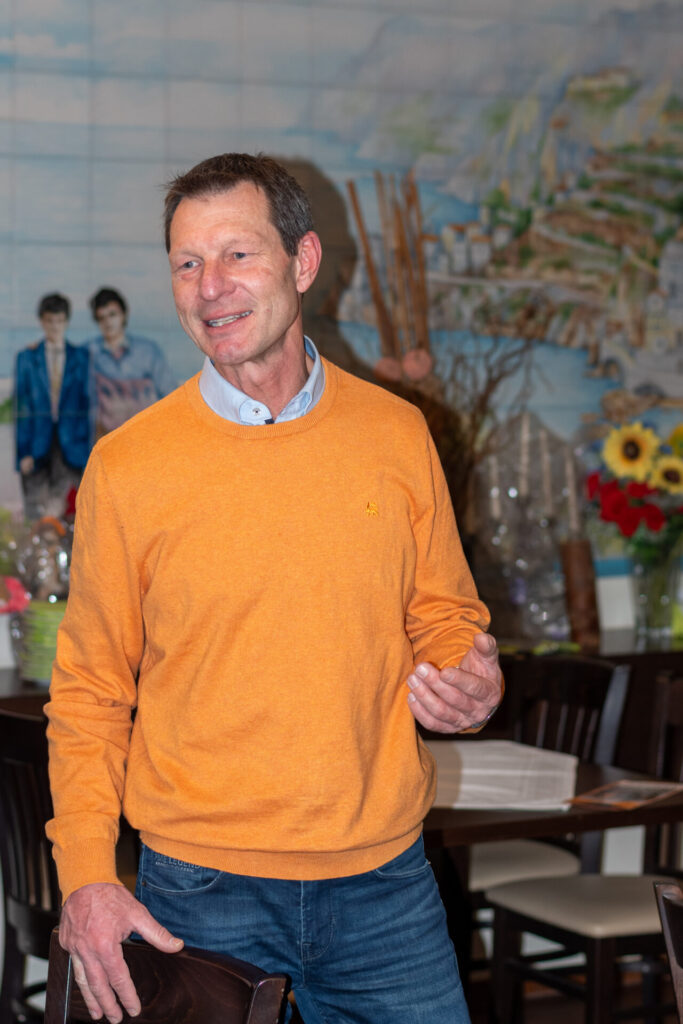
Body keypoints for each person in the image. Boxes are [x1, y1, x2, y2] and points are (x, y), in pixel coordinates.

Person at [46, 153, 503, 1024]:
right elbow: (90, 692)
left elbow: (445, 616)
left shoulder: (397, 433)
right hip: (198, 893)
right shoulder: (129, 465)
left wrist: (469, 683)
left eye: (236, 254)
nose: (209, 286)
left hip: (385, 886)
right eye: (187, 262)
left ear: (303, 261)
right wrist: (87, 877)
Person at [14, 293, 91, 520]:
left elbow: (88, 405)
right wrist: (23, 452)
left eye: (59, 320)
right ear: (42, 321)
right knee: (35, 510)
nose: (55, 326)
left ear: (66, 321)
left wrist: (86, 448)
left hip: (73, 446)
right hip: (37, 443)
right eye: (49, 320)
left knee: (74, 510)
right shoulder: (27, 358)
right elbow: (22, 408)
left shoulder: (81, 357)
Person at [87, 286, 176, 437]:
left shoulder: (147, 351)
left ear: (123, 314)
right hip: (108, 439)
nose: (108, 322)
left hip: (148, 436)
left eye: (112, 314)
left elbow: (169, 393)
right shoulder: (88, 352)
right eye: (102, 318)